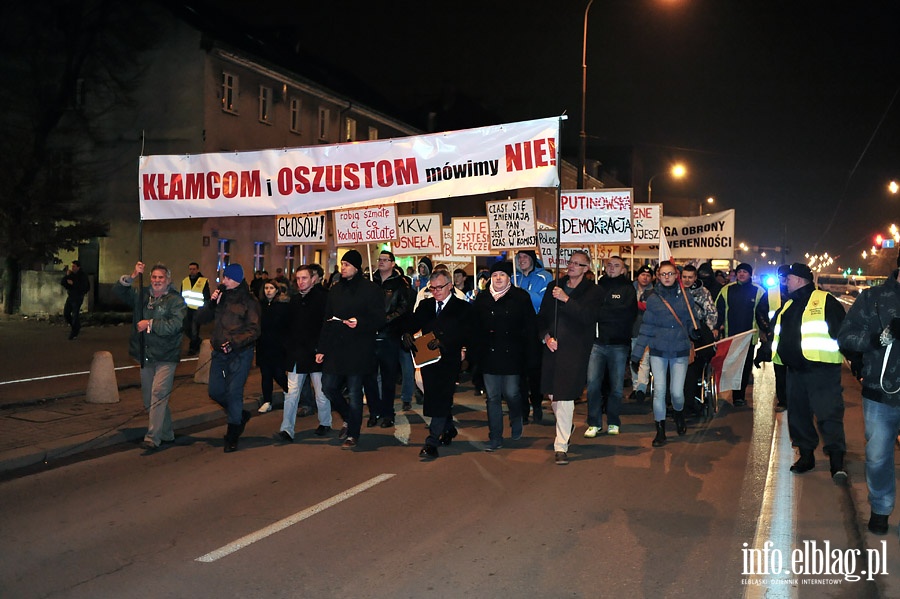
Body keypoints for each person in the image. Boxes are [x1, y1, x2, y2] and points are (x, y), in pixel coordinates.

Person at [837, 252, 900, 535]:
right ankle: (881, 507)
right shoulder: (873, 298)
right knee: (878, 455)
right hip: (880, 393)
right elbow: (846, 336)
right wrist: (880, 338)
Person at [772, 262, 847, 481]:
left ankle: (837, 462)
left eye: (788, 278)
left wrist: (857, 360)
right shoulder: (788, 305)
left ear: (798, 279)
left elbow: (842, 333)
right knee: (799, 417)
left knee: (828, 416)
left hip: (822, 371)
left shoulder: (825, 301)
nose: (785, 282)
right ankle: (806, 456)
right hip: (795, 372)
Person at [316, 250, 385, 450]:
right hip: (336, 348)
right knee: (328, 386)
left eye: (346, 264)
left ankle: (353, 433)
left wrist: (360, 322)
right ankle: (347, 416)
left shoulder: (371, 290)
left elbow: (380, 318)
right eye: (342, 264)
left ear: (355, 267)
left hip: (359, 348)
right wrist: (321, 348)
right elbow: (327, 320)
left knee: (355, 393)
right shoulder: (335, 290)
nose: (342, 268)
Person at [115, 262, 186, 451]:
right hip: (146, 355)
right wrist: (132, 275)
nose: (156, 281)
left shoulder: (175, 301)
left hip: (166, 356)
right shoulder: (143, 295)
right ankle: (167, 432)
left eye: (160, 277)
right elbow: (120, 292)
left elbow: (175, 325)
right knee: (149, 399)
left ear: (168, 280)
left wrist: (150, 324)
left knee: (158, 394)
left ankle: (152, 437)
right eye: (154, 277)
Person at [538, 250, 598, 465]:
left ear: (585, 268)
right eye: (570, 262)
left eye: (577, 263)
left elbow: (588, 317)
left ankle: (560, 445)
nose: (571, 266)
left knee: (564, 396)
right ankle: (566, 425)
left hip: (575, 350)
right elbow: (542, 316)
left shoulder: (592, 291)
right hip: (552, 348)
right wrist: (545, 337)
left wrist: (566, 299)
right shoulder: (554, 286)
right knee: (553, 395)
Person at [632, 261, 700, 447]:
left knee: (677, 392)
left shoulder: (686, 296)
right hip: (658, 350)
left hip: (680, 350)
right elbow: (646, 327)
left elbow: (691, 320)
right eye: (663, 274)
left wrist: (695, 330)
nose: (667, 277)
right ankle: (660, 431)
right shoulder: (653, 299)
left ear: (676, 275)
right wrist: (637, 354)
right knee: (659, 391)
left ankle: (679, 414)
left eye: (670, 274)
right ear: (658, 276)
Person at [471, 261, 537, 451]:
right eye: (495, 275)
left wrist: (530, 353)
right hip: (489, 355)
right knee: (492, 397)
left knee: (511, 393)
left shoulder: (520, 297)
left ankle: (516, 418)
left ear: (509, 277)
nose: (498, 278)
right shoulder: (482, 298)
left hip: (513, 354)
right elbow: (475, 328)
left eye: (502, 274)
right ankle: (495, 437)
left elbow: (530, 326)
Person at [406, 269, 472, 459]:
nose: (435, 291)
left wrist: (445, 342)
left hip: (449, 359)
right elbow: (413, 322)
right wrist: (407, 333)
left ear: (450, 286)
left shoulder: (462, 307)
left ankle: (432, 440)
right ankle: (449, 428)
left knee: (442, 396)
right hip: (428, 358)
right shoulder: (426, 305)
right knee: (434, 396)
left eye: (439, 287)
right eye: (432, 288)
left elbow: (466, 333)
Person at [195, 263, 261, 453]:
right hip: (218, 353)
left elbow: (254, 329)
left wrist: (233, 342)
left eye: (228, 278)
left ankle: (232, 434)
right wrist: (211, 302)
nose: (224, 281)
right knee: (215, 391)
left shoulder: (249, 301)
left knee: (234, 392)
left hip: (240, 353)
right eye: (224, 278)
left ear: (237, 280)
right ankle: (240, 414)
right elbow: (201, 318)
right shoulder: (220, 297)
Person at [585, 256, 637, 438]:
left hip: (619, 344)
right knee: (592, 385)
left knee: (615, 387)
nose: (612, 268)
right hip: (597, 343)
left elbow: (627, 314)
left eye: (616, 266)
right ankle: (594, 422)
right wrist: (610, 310)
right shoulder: (598, 287)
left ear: (623, 269)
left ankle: (613, 421)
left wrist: (605, 311)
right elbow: (592, 311)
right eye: (609, 265)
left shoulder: (628, 289)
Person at [278, 264, 331, 441]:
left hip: (315, 353)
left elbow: (326, 326)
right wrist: (287, 347)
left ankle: (325, 422)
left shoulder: (322, 299)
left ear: (313, 279)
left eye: (304, 278)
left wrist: (322, 348)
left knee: (321, 393)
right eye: (298, 278)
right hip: (296, 355)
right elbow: (287, 327)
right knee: (291, 394)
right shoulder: (293, 301)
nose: (301, 282)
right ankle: (287, 428)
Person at [715, 262, 770, 406]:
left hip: (749, 337)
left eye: (745, 272)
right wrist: (716, 327)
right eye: (739, 272)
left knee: (745, 367)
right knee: (731, 366)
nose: (742, 274)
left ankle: (739, 397)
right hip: (730, 336)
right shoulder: (726, 290)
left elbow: (762, 313)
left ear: (750, 274)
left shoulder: (759, 291)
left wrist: (765, 332)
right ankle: (731, 391)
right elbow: (718, 311)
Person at [370, 251, 414, 428]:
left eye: (385, 260)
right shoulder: (371, 282)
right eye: (379, 259)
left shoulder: (400, 284)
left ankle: (388, 413)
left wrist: (386, 320)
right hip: (370, 336)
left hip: (389, 335)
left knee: (388, 377)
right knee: (371, 378)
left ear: (393, 263)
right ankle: (374, 411)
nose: (381, 262)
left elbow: (404, 307)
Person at [515, 249, 552, 424]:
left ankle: (536, 403)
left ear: (532, 259)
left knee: (534, 371)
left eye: (525, 257)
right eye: (519, 257)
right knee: (519, 372)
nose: (522, 260)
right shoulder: (513, 277)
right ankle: (523, 411)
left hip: (536, 327)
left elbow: (543, 301)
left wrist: (520, 293)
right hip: (516, 327)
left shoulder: (544, 277)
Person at [681, 264, 718, 413]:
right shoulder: (675, 291)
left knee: (694, 367)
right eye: (684, 277)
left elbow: (711, 313)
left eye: (690, 277)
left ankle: (690, 401)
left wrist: (706, 331)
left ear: (695, 277)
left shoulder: (703, 293)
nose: (687, 280)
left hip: (699, 335)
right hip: (679, 333)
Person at [256, 280, 290, 414]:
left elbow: (286, 326)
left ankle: (290, 392)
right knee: (265, 374)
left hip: (278, 345)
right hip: (263, 345)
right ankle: (267, 400)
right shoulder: (260, 306)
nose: (268, 290)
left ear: (277, 290)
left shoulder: (282, 306)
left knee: (278, 373)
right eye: (266, 288)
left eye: (271, 288)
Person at [630, 265, 655, 402]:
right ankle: (636, 386)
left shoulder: (654, 292)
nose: (645, 278)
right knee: (633, 359)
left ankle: (641, 387)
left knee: (644, 360)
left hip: (647, 331)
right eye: (642, 275)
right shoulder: (630, 290)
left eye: (648, 276)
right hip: (632, 329)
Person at [769, 264, 791, 412]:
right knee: (780, 371)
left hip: (795, 337)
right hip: (777, 337)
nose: (783, 279)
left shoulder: (798, 292)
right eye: (781, 276)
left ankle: (795, 399)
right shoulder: (772, 292)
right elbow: (761, 311)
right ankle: (782, 400)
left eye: (785, 276)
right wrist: (767, 329)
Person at [180, 262, 210, 355]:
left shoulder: (203, 281)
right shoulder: (185, 281)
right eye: (190, 269)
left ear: (197, 270)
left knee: (194, 330)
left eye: (194, 269)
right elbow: (181, 295)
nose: (192, 271)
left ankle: (193, 348)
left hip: (198, 310)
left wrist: (205, 309)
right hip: (187, 309)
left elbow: (206, 296)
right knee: (186, 328)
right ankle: (197, 341)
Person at [61, 260, 90, 340]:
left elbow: (85, 287)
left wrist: (73, 284)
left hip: (78, 297)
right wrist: (67, 276)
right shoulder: (71, 274)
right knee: (66, 313)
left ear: (78, 267)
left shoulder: (82, 275)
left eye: (74, 266)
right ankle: (76, 326)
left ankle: (74, 332)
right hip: (71, 296)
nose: (72, 268)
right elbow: (63, 282)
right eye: (72, 266)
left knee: (75, 314)